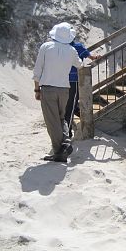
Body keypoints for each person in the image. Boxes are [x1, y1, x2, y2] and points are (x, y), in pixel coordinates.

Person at [33, 22, 82, 162]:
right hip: (64, 89)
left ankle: (60, 151)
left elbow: (37, 71)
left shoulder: (46, 47)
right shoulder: (71, 50)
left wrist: (37, 89)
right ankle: (65, 142)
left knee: (51, 121)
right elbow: (79, 64)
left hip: (48, 89)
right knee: (61, 118)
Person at [65, 41, 100, 138]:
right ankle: (67, 132)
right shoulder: (78, 46)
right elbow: (90, 57)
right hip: (74, 79)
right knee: (71, 104)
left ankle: (66, 127)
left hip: (61, 79)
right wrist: (95, 57)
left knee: (67, 104)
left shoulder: (61, 47)